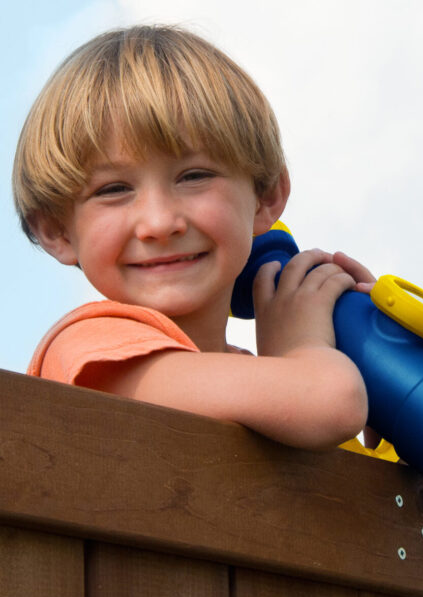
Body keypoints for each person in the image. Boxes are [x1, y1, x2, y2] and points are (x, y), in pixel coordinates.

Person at [13, 24, 373, 450]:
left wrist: (377, 382)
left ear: (265, 197)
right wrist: (302, 344)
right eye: (114, 189)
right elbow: (331, 402)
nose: (160, 222)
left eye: (194, 176)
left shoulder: (269, 386)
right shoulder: (89, 351)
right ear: (56, 230)